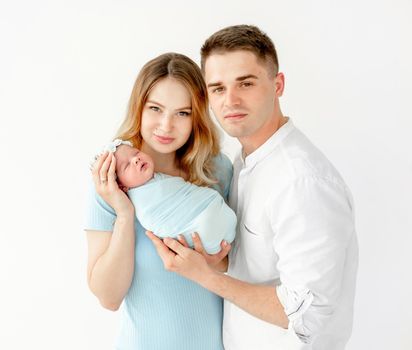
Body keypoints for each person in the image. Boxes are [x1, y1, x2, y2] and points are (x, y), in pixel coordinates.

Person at [146, 25, 359, 350]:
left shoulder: (301, 181)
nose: (230, 100)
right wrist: (214, 261)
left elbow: (307, 314)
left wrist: (206, 277)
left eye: (245, 83)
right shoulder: (243, 163)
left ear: (278, 85)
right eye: (217, 88)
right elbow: (259, 264)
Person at [85, 52, 232, 350]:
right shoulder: (113, 180)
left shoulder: (217, 170)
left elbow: (235, 263)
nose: (166, 126)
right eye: (155, 108)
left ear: (198, 116)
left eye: (182, 113)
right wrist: (125, 214)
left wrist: (215, 263)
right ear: (139, 108)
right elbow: (109, 298)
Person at [96, 139, 236, 254]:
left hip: (218, 217)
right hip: (205, 229)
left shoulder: (219, 164)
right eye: (126, 165)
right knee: (207, 224)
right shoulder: (139, 201)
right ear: (121, 186)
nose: (136, 159)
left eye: (136, 153)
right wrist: (124, 213)